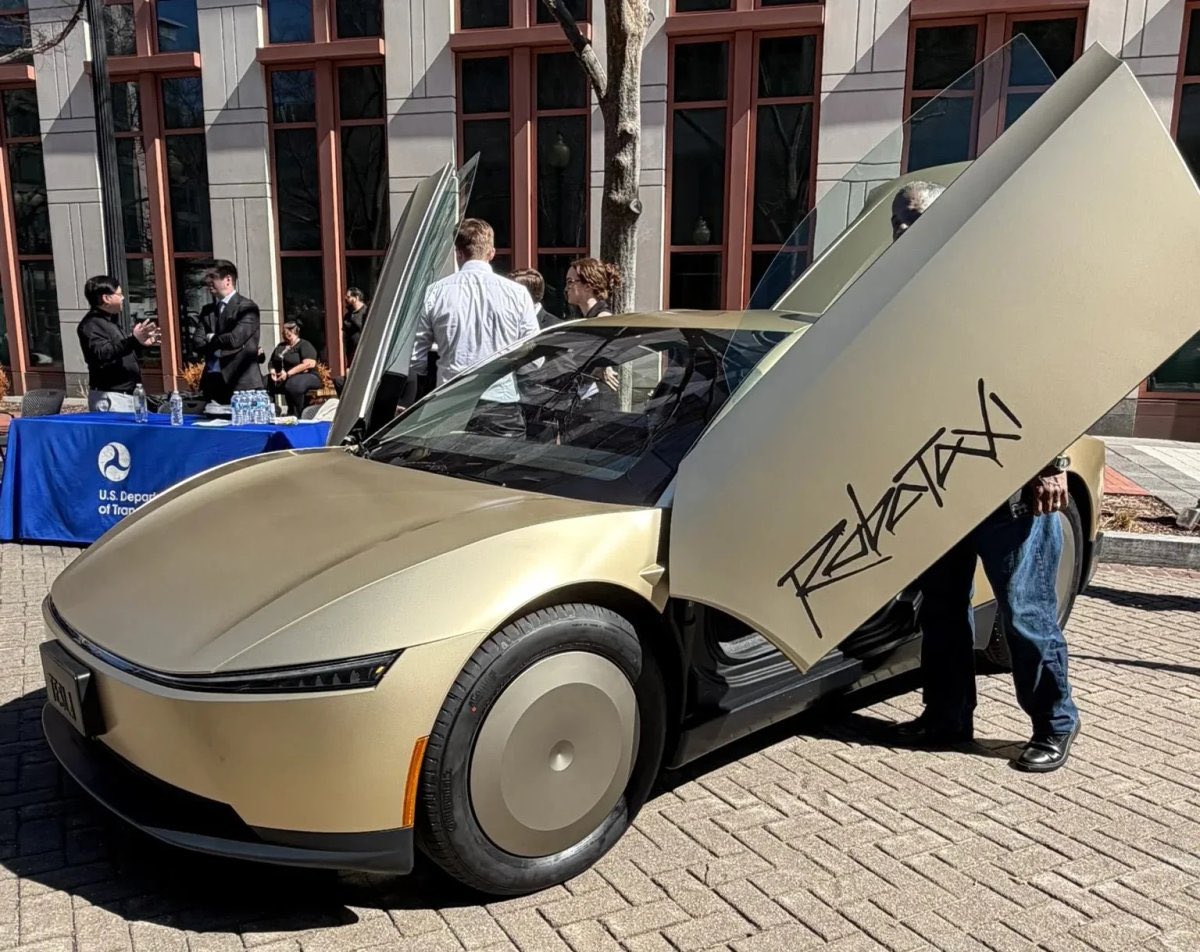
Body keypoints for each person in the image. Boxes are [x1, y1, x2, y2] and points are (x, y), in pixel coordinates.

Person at [888, 181, 1081, 773]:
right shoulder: (901, 297)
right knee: (942, 610)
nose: (903, 230)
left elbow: (1050, 376)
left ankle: (1055, 722)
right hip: (939, 488)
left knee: (1023, 611)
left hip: (1010, 488)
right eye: (897, 222)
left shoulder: (998, 289)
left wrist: (1053, 463)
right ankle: (948, 718)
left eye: (915, 218)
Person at [408, 219, 539, 436]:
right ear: (491, 253)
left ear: (458, 253)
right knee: (505, 467)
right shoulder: (517, 293)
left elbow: (415, 359)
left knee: (442, 468)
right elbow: (534, 353)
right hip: (500, 400)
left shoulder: (435, 292)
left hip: (449, 401)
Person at [77, 275, 160, 412]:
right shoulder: (91, 324)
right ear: (106, 298)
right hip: (111, 397)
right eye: (119, 294)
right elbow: (102, 353)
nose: (123, 298)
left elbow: (120, 350)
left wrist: (139, 343)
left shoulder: (111, 322)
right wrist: (133, 340)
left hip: (128, 395)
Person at [193, 261, 264, 404]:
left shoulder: (247, 308)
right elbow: (197, 342)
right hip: (212, 381)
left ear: (228, 280)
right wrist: (219, 344)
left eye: (212, 277)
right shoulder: (208, 311)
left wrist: (212, 337)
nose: (208, 282)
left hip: (241, 383)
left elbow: (235, 339)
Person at [267, 320, 320, 416]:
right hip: (283, 376)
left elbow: (309, 364)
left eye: (285, 332)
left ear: (292, 332)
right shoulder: (281, 346)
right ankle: (271, 410)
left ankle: (296, 414)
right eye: (283, 332)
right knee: (264, 381)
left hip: (306, 375)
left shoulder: (304, 345)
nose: (283, 334)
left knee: (293, 384)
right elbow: (271, 362)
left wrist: (288, 374)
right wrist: (273, 371)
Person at [342, 287, 368, 367]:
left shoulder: (366, 312)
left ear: (356, 298)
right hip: (351, 352)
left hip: (365, 350)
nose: (346, 299)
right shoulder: (348, 315)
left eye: (349, 297)